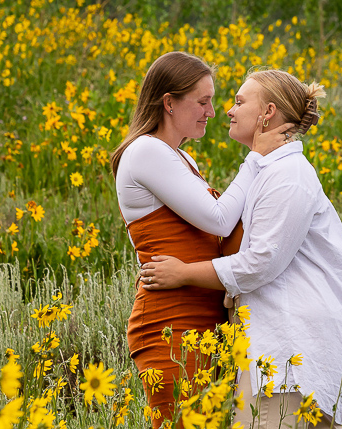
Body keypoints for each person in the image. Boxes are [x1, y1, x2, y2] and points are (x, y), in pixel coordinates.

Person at [141, 69, 342, 428]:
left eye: (240, 102)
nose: (227, 110)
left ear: (267, 113)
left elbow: (260, 263)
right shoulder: (270, 171)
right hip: (270, 352)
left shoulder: (290, 175)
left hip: (293, 351)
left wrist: (182, 274)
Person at [111, 51, 288, 427]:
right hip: (170, 322)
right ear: (169, 103)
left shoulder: (181, 159)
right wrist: (255, 158)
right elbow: (221, 220)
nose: (212, 111)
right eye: (203, 101)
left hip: (204, 323)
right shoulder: (145, 151)